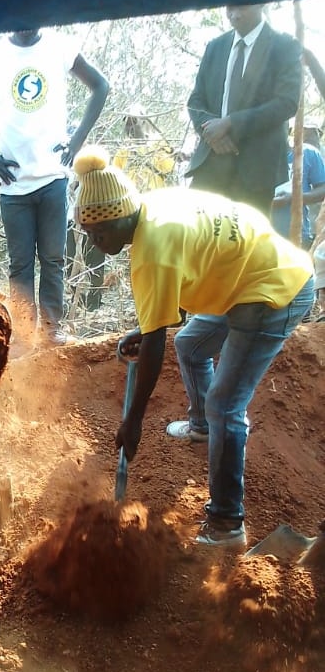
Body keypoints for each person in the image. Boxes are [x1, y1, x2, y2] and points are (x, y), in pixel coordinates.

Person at [73, 146, 314, 549]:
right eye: (88, 234)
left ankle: (226, 523)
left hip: (273, 288)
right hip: (239, 273)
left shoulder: (152, 251)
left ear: (119, 220)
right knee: (189, 343)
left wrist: (132, 422)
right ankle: (203, 428)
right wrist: (148, 325)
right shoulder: (148, 208)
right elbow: (173, 305)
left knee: (226, 404)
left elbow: (153, 347)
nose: (95, 243)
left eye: (98, 234)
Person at [0, 28, 109, 345]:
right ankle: (24, 334)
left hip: (53, 176)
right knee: (20, 264)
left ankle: (52, 329)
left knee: (53, 258)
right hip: (13, 185)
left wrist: (76, 141)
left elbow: (101, 86)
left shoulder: (60, 46)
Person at [186, 4, 302, 214]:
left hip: (255, 174)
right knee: (199, 242)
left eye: (243, 6)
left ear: (262, 2)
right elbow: (195, 100)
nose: (235, 14)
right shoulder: (215, 47)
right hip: (210, 166)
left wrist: (230, 123)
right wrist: (212, 132)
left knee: (245, 245)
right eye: (230, 6)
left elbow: (286, 103)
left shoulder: (284, 46)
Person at [271, 120, 325, 249]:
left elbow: (323, 189)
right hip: (259, 236)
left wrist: (294, 198)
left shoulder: (308, 153)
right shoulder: (253, 157)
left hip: (297, 237)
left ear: (288, 131)